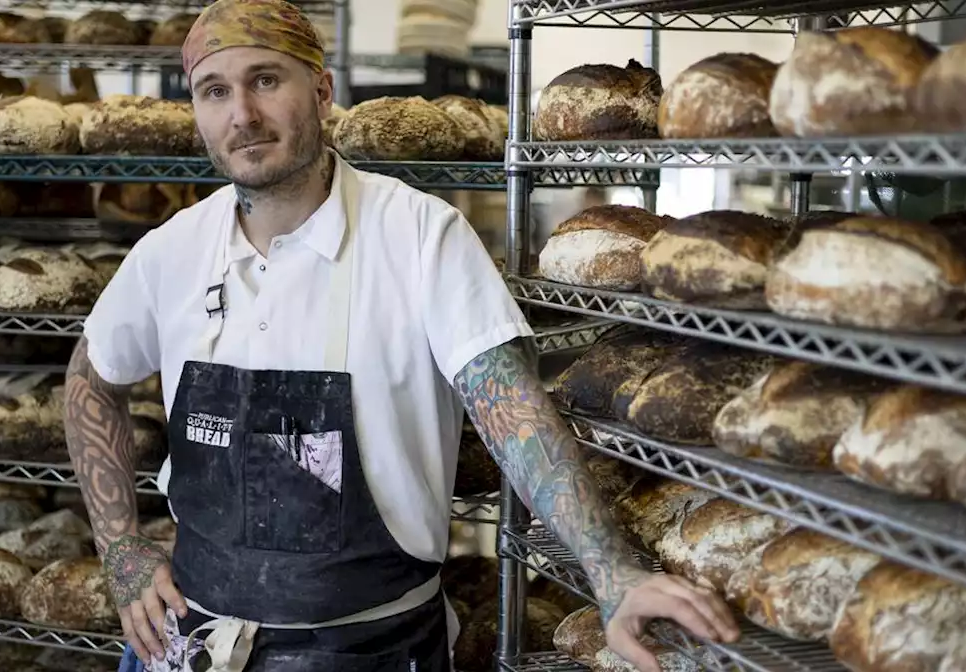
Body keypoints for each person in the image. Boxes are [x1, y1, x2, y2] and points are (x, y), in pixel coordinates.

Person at [65, 1, 740, 670]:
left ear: (322, 92)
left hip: (369, 649)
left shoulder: (420, 238)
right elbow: (89, 379)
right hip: (191, 642)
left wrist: (612, 571)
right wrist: (121, 549)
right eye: (215, 91)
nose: (242, 113)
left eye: (267, 80)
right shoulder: (171, 252)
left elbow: (514, 413)